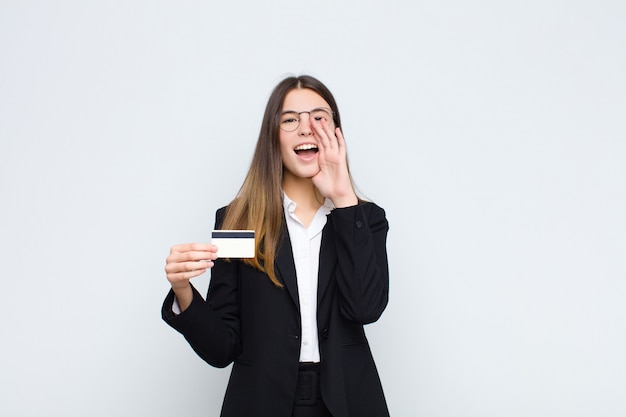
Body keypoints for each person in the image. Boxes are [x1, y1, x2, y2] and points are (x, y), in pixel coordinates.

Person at [162, 75, 390, 417]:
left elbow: (365, 309)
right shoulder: (239, 222)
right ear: (273, 137)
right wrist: (183, 290)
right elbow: (223, 348)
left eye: (319, 117)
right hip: (260, 403)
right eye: (290, 120)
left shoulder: (365, 219)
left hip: (348, 402)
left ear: (336, 134)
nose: (306, 128)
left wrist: (344, 199)